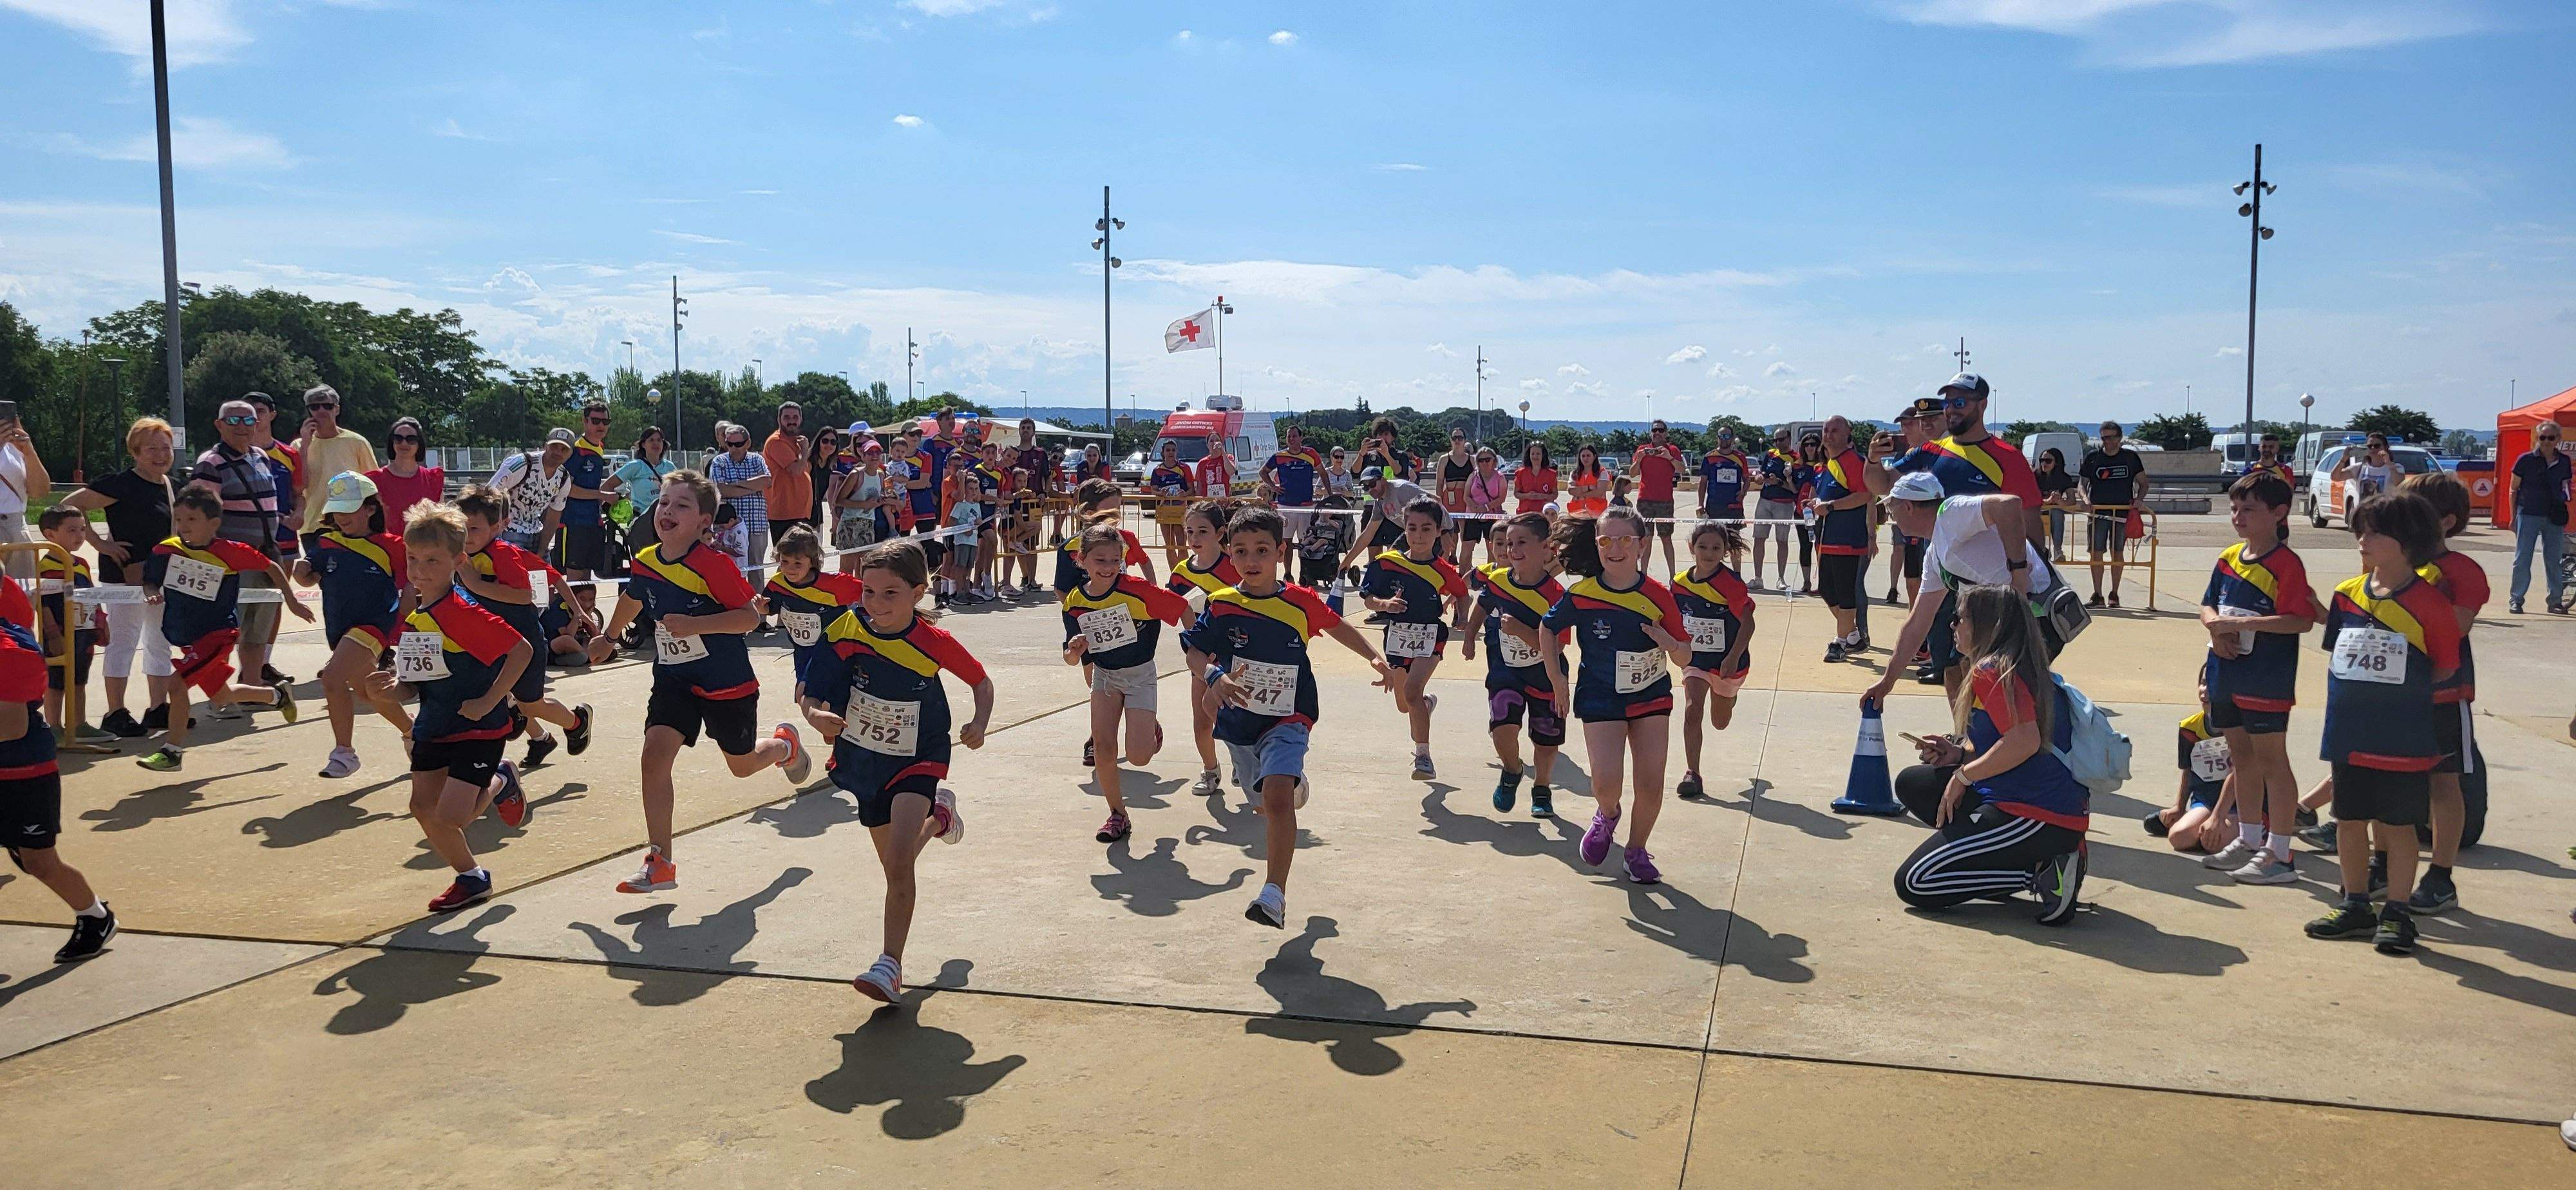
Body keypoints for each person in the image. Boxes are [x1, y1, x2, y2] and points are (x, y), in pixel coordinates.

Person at [587, 469, 810, 894]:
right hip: (674, 679)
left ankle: (785, 746)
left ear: (705, 522)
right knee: (654, 756)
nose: (668, 511)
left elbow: (750, 616)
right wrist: (609, 637)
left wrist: (696, 624)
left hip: (725, 682)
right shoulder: (647, 560)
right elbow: (633, 597)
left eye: (682, 505)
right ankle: (660, 861)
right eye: (665, 503)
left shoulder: (714, 565)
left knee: (741, 766)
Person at [799, 539, 990, 1003]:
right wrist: (814, 716)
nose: (876, 603)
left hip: (919, 756)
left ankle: (889, 965)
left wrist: (978, 723)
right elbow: (810, 688)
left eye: (891, 593)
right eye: (868, 591)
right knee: (894, 863)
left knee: (899, 862)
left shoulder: (933, 642)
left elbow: (980, 682)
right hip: (863, 759)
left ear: (919, 592)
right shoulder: (845, 628)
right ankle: (940, 817)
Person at [1184, 506, 1393, 928]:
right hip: (1240, 723)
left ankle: (1273, 894)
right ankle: (1290, 786)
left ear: (1281, 551)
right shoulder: (1222, 605)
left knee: (1277, 797)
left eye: (1262, 550)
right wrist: (1214, 675)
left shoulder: (1299, 601)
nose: (1252, 560)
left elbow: (1337, 626)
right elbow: (1193, 651)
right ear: (1229, 553)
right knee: (1266, 803)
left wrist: (1375, 657)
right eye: (1241, 551)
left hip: (1289, 717)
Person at [2304, 491, 2462, 956]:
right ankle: (2355, 904)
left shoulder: (2430, 604)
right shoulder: (2347, 594)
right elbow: (2339, 650)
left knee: (2397, 827)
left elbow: (2445, 666)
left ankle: (2396, 911)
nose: (2363, 540)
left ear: (2408, 541)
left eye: (2375, 532)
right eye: (2361, 530)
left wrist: (2400, 695)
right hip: (2349, 730)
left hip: (2403, 736)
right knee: (2349, 820)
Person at [1887, 584, 2090, 927]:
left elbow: (2025, 741)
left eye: (1960, 618)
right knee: (1914, 783)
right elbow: (2000, 740)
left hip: (2035, 812)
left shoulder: (1993, 670)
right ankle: (2021, 861)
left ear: (1986, 626)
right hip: (2022, 799)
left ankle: (2041, 874)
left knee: (1915, 883)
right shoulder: (2011, 666)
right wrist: (1957, 754)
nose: (1953, 626)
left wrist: (1963, 777)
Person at [373, 502, 534, 914]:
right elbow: (413, 683)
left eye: (432, 560)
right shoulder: (416, 616)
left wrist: (488, 701)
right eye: (413, 559)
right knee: (422, 808)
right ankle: (472, 877)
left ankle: (501, 779)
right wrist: (393, 688)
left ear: (458, 562)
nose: (420, 569)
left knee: (454, 817)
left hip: (478, 728)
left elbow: (521, 651)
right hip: (435, 723)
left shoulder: (462, 612)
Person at [1539, 509, 1693, 885]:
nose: (1616, 548)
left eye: (1626, 539)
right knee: (1607, 782)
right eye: (1607, 540)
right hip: (1601, 696)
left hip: (1651, 696)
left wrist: (1669, 642)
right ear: (1597, 545)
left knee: (1651, 784)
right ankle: (1607, 815)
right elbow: (1547, 628)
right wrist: (1557, 678)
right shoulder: (1582, 593)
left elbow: (1685, 655)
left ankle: (1637, 851)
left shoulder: (1659, 596)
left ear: (1642, 545)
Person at [2192, 473, 2316, 886]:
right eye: (2235, 509)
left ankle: (2279, 852)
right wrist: (2216, 628)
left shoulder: (2286, 564)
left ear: (2279, 514)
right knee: (2240, 757)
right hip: (2227, 670)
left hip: (2267, 677)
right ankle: (2248, 839)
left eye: (2249, 510)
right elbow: (2208, 605)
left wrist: (2246, 623)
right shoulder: (2229, 557)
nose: (2238, 517)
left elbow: (2301, 620)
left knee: (2272, 761)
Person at [134, 486, 313, 773]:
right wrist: (151, 592)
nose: (183, 527)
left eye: (192, 520)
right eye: (179, 520)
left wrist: (290, 601)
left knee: (176, 685)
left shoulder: (230, 552)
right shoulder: (166, 550)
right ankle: (277, 696)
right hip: (187, 636)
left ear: (214, 524)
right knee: (222, 696)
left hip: (218, 634)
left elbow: (271, 567)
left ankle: (172, 751)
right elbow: (150, 580)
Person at [1861, 472, 2054, 708]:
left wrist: (2019, 578)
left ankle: (1999, 741)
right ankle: (1966, 740)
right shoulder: (1934, 555)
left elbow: (2009, 505)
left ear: (1909, 507)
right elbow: (1917, 624)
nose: (1892, 517)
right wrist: (1887, 682)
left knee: (1996, 691)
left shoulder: (1950, 513)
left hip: (2035, 611)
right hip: (2001, 617)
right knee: (1955, 673)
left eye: (1893, 509)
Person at [0, 574, 117, 961]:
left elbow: (12, 727)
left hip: (22, 772)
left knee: (39, 862)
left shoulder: (9, 651)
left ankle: (95, 915)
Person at [2387, 471, 2485, 914]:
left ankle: (2441, 875)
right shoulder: (2391, 565)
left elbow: (2455, 626)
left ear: (2445, 522)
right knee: (2387, 781)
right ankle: (2383, 863)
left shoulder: (2461, 570)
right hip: (2393, 692)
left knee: (2444, 783)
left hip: (2445, 692)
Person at [1062, 520, 1192, 843]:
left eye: (1114, 560)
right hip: (1105, 678)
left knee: (1139, 757)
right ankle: (1117, 814)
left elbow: (1184, 609)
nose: (1107, 568)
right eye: (1099, 560)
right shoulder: (1075, 601)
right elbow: (1069, 655)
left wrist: (1197, 648)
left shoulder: (1139, 590)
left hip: (1140, 676)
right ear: (1082, 560)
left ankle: (1148, 731)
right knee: (1104, 750)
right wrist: (1075, 650)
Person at [455, 484, 594, 770]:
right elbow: (554, 576)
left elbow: (525, 594)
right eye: (460, 528)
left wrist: (578, 611)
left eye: (474, 529)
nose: (466, 536)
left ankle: (576, 721)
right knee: (490, 694)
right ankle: (539, 738)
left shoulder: (503, 554)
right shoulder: (461, 554)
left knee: (530, 704)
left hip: (524, 644)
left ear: (497, 527)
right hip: (488, 642)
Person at [59, 417, 178, 737]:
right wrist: (101, 544)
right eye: (152, 448)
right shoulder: (121, 483)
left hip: (160, 577)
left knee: (160, 641)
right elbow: (69, 506)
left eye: (166, 448)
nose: (161, 454)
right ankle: (115, 712)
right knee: (124, 641)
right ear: (136, 452)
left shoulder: (169, 484)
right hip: (124, 577)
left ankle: (157, 708)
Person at [291, 473, 415, 777]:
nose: (341, 516)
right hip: (339, 629)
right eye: (337, 509)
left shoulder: (392, 545)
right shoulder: (327, 542)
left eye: (349, 508)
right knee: (370, 692)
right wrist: (301, 571)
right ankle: (414, 732)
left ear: (370, 509)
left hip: (374, 626)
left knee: (332, 678)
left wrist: (408, 619)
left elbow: (414, 579)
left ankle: (344, 754)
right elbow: (309, 577)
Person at [1457, 512, 1566, 815]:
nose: (1511, 550)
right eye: (1507, 543)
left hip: (1547, 675)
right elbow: (1482, 607)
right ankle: (1512, 769)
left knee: (1546, 738)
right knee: (1502, 728)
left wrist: (1522, 631)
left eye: (1521, 543)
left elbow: (1556, 647)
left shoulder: (1557, 596)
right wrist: (1469, 636)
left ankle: (1542, 788)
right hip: (1506, 670)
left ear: (1547, 548)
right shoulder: (1498, 581)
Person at [1359, 497, 1468, 781]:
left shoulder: (1443, 569)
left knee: (1412, 691)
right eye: (1412, 528)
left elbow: (1461, 591)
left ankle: (1423, 757)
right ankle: (1427, 705)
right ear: (1404, 529)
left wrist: (1462, 618)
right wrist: (1384, 605)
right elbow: (1368, 599)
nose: (1419, 536)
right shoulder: (1386, 564)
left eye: (1426, 529)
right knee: (1405, 704)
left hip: (1431, 636)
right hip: (1396, 638)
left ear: (1438, 532)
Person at [188, 399, 292, 694]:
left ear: (258, 425)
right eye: (233, 421)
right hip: (231, 563)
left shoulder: (261, 456)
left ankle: (251, 689)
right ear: (219, 425)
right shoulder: (211, 462)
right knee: (225, 633)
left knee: (258, 630)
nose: (241, 428)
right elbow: (203, 514)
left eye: (248, 421)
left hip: (265, 556)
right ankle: (220, 696)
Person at [1670, 521, 1755, 802]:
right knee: (1693, 708)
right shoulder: (1679, 583)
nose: (1708, 553)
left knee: (1720, 721)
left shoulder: (1731, 584)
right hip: (1696, 660)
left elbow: (1748, 624)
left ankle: (1729, 699)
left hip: (1729, 662)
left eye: (1716, 548)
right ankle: (1692, 773)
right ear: (1691, 548)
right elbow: (1673, 617)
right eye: (1703, 546)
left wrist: (1732, 657)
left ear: (1725, 551)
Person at [1166, 499, 1242, 797]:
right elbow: (1177, 610)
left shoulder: (1235, 568)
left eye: (1203, 532)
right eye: (1189, 532)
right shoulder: (1181, 572)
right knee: (1201, 718)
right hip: (1201, 657)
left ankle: (1242, 759)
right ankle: (1210, 770)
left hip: (1234, 655)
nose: (1195, 539)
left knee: (1234, 715)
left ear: (1220, 533)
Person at [760, 524, 866, 724]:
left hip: (834, 651)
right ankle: (830, 746)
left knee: (810, 697)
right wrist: (760, 608)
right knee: (816, 704)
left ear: (812, 562)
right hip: (803, 653)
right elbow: (770, 608)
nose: (790, 569)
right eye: (785, 561)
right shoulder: (777, 584)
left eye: (798, 564)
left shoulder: (833, 584)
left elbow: (869, 592)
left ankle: (811, 745)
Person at [33, 507, 109, 743]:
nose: (80, 535)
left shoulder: (81, 563)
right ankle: (54, 726)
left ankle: (79, 724)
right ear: (50, 534)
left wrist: (101, 622)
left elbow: (91, 594)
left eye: (83, 529)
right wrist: (53, 635)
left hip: (83, 630)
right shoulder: (45, 567)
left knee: (79, 678)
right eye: (72, 530)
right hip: (60, 632)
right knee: (57, 680)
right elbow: (43, 603)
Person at [2147, 681, 2239, 855]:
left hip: (2240, 803)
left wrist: (2218, 817)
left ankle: (2257, 829)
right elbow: (2187, 770)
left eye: (2213, 685)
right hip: (2206, 799)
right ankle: (2197, 825)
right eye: (2203, 683)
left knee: (2215, 843)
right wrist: (2179, 807)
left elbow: (2239, 773)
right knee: (2178, 838)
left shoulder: (2239, 728)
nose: (2205, 691)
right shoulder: (2189, 727)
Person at [1811, 418, 1874, 658]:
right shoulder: (1830, 464)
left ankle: (1840, 642)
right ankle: (1854, 636)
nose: (1829, 435)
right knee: (1827, 590)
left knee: (1845, 592)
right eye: (1826, 430)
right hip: (1827, 539)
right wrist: (1819, 504)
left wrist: (1832, 506)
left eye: (1835, 431)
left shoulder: (1853, 461)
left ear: (1849, 434)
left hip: (1847, 540)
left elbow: (1865, 495)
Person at [289, 384, 378, 540]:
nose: (322, 411)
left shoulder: (356, 442)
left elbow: (373, 484)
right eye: (315, 407)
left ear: (337, 409)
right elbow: (298, 487)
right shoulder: (298, 446)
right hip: (313, 525)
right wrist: (305, 445)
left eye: (328, 406)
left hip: (351, 524)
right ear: (309, 411)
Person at [2078, 422, 2148, 608]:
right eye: (2103, 438)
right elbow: (2082, 484)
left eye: (2110, 437)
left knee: (2117, 553)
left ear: (2119, 438)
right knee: (2096, 553)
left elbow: (2143, 483)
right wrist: (2085, 499)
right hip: (2098, 514)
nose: (2106, 442)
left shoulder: (2130, 458)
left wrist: (2139, 500)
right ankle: (2097, 594)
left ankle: (2114, 594)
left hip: (2122, 514)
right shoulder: (2093, 458)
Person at [2506, 419, 2569, 614]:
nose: (2547, 442)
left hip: (2553, 517)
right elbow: (2513, 489)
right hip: (2528, 514)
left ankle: (2555, 601)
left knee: (2554, 560)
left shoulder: (2563, 461)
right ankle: (2516, 600)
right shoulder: (2525, 460)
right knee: (2523, 559)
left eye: (2551, 438)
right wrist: (2512, 517)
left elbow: (2565, 487)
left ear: (2558, 439)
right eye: (2543, 437)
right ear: (2537, 438)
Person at [708, 422, 775, 592]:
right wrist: (752, 486)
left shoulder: (757, 459)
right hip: (728, 528)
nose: (735, 448)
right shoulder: (719, 462)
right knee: (728, 570)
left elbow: (766, 481)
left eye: (739, 444)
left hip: (756, 526)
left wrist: (736, 485)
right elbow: (721, 489)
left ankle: (758, 616)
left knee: (756, 571)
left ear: (748, 443)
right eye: (730, 444)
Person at [488, 429, 572, 552]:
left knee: (545, 571)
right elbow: (489, 494)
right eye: (554, 446)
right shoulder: (523, 464)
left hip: (536, 534)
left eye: (564, 449)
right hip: (509, 532)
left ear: (570, 454)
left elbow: (555, 514)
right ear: (546, 446)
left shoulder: (563, 478)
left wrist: (542, 550)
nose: (558, 452)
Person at [1341, 466, 1434, 572]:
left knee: (1427, 567)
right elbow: (1368, 534)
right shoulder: (1379, 503)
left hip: (1432, 532)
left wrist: (1446, 532)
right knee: (1389, 561)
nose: (1371, 490)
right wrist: (1347, 562)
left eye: (1373, 484)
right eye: (1366, 488)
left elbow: (1435, 501)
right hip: (1411, 533)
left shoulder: (1401, 489)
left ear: (1383, 480)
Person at [604, 426, 677, 558]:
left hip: (666, 517)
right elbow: (606, 486)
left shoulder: (670, 467)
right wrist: (617, 503)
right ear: (643, 444)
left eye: (659, 440)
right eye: (652, 440)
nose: (656, 444)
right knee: (656, 505)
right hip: (643, 517)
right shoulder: (636, 466)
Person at [364, 416, 444, 531]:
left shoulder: (433, 479)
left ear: (419, 444)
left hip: (424, 546)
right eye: (398, 438)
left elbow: (442, 522)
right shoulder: (372, 480)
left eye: (411, 439)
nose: (404, 443)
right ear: (392, 442)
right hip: (384, 547)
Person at [0, 408, 53, 582]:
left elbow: (40, 491)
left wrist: (29, 451)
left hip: (16, 526)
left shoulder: (15, 449)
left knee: (23, 596)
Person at [761, 402, 814, 547]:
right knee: (787, 559)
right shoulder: (776, 441)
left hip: (800, 512)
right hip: (784, 514)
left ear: (801, 419)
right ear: (779, 420)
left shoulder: (796, 442)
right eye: (787, 417)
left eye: (795, 417)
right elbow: (796, 470)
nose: (792, 421)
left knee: (800, 560)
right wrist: (805, 450)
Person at [1262, 424, 1323, 545]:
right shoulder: (1279, 456)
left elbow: (1323, 473)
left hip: (1306, 505)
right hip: (1286, 505)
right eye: (1289, 436)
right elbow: (1263, 472)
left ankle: (1304, 565)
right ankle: (1288, 566)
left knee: (1305, 541)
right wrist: (1274, 487)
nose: (1291, 439)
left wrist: (1330, 493)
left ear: (1301, 438)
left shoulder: (1311, 454)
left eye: (1294, 436)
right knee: (1286, 543)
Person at [1461, 446, 1508, 571]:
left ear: (1494, 461)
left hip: (1492, 516)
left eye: (1487, 460)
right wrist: (1474, 507)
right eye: (1481, 460)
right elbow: (1466, 496)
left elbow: (1502, 498)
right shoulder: (1473, 476)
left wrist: (1486, 507)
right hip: (1473, 516)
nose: (1484, 463)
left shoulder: (1500, 477)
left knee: (1492, 548)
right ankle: (1462, 576)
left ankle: (1491, 576)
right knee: (1467, 547)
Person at [1147, 440, 1193, 567]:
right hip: (1164, 508)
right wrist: (1162, 492)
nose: (1171, 453)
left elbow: (1191, 489)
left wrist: (1183, 494)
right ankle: (1174, 576)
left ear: (1177, 452)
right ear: (1163, 452)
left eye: (1173, 450)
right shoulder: (1157, 470)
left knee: (1181, 544)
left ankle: (1184, 575)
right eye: (1168, 450)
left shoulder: (1184, 468)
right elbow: (1153, 490)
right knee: (1169, 544)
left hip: (1180, 508)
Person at [1699, 430, 1748, 538]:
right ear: (1717, 438)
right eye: (1721, 436)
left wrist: (1743, 492)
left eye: (1727, 436)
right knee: (1714, 541)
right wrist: (1700, 504)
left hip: (1734, 507)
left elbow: (1747, 480)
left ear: (1732, 438)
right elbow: (1703, 483)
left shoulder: (1740, 457)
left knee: (1735, 543)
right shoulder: (1709, 457)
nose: (1724, 439)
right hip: (1714, 507)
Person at [1436, 429, 1475, 561]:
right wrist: (1439, 504)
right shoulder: (1444, 459)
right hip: (1449, 500)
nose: (1457, 441)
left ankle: (1466, 564)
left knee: (1466, 536)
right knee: (1448, 533)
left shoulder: (1472, 460)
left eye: (1460, 438)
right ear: (1451, 440)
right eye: (1454, 438)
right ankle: (1447, 563)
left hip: (1466, 500)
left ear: (1465, 440)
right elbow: (1439, 484)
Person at [2033, 448, 2078, 560]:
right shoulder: (2034, 476)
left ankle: (2058, 550)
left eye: (2048, 461)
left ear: (2057, 462)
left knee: (2057, 513)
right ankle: (2041, 550)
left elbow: (2072, 500)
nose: (2044, 463)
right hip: (2036, 509)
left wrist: (2059, 501)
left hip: (2053, 510)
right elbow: (2028, 497)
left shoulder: (2065, 478)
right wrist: (2046, 501)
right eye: (2042, 460)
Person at [1513, 441, 1558, 515]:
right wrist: (1527, 496)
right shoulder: (1520, 473)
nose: (1535, 456)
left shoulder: (1551, 474)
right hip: (1525, 513)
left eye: (1538, 454)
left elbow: (1555, 495)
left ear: (1543, 455)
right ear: (1529, 455)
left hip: (1544, 514)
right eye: (1533, 454)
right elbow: (1516, 494)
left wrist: (1543, 496)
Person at [1566, 443, 1610, 518]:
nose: (1585, 458)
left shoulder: (1602, 472)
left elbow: (1599, 492)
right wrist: (1589, 488)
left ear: (1595, 457)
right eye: (1583, 456)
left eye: (1588, 456)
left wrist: (1580, 494)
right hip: (1577, 513)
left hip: (1597, 513)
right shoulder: (1574, 473)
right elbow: (1571, 491)